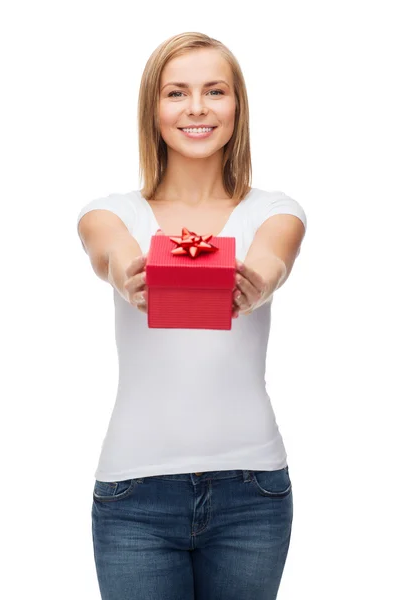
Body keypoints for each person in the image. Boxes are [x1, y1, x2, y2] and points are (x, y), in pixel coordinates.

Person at [77, 32, 307, 600]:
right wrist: (131, 273)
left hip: (252, 494)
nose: (197, 108)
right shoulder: (113, 213)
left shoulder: (274, 210)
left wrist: (256, 285)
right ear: (153, 110)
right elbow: (108, 251)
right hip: (134, 495)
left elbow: (274, 256)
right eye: (176, 92)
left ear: (237, 107)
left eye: (215, 91)